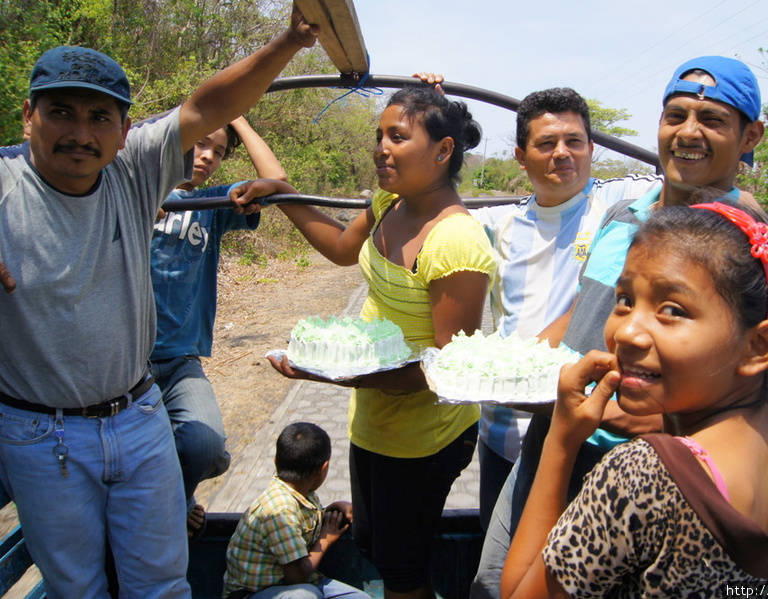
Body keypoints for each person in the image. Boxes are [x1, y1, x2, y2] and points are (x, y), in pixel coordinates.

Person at [0, 8, 318, 596]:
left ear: (124, 131)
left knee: (163, 583)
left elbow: (207, 108)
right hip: (42, 434)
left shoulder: (136, 169)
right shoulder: (6, 182)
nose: (80, 133)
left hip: (139, 412)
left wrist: (295, 39)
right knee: (79, 588)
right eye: (60, 113)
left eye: (100, 117)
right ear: (28, 117)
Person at [471, 55, 767, 598]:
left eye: (713, 120)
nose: (688, 133)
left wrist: (648, 421)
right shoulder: (626, 215)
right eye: (675, 116)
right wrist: (499, 371)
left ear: (751, 135)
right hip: (556, 438)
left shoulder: (750, 243)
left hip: (633, 467)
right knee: (493, 584)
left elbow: (759, 376)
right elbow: (584, 306)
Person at [500, 204, 768, 597]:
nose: (628, 333)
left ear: (759, 346)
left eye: (672, 310)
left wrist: (562, 440)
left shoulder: (643, 476)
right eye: (625, 300)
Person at [237, 85, 497, 599]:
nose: (381, 147)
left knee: (402, 571)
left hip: (426, 436)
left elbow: (448, 371)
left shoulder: (456, 241)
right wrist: (282, 197)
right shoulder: (389, 202)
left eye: (397, 136)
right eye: (378, 135)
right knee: (378, 550)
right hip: (374, 420)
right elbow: (337, 247)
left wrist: (327, 373)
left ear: (443, 151)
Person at [466, 87, 660, 530]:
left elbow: (703, 179)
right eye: (545, 144)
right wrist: (431, 108)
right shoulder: (497, 224)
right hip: (504, 432)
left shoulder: (621, 203)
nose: (562, 154)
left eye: (574, 141)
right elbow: (428, 210)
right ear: (520, 155)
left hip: (587, 437)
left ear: (592, 148)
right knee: (499, 571)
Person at [150, 115, 287, 539]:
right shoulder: (127, 191)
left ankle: (179, 496)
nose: (207, 156)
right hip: (122, 362)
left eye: (219, 151)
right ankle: (169, 508)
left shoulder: (212, 204)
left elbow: (278, 184)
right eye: (200, 143)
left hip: (179, 358)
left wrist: (239, 119)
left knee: (205, 445)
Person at [223, 422, 368, 599]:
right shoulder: (279, 511)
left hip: (303, 583)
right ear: (324, 469)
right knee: (306, 596)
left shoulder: (304, 494)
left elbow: (307, 522)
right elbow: (296, 576)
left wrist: (336, 507)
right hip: (255, 592)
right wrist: (326, 539)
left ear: (276, 460)